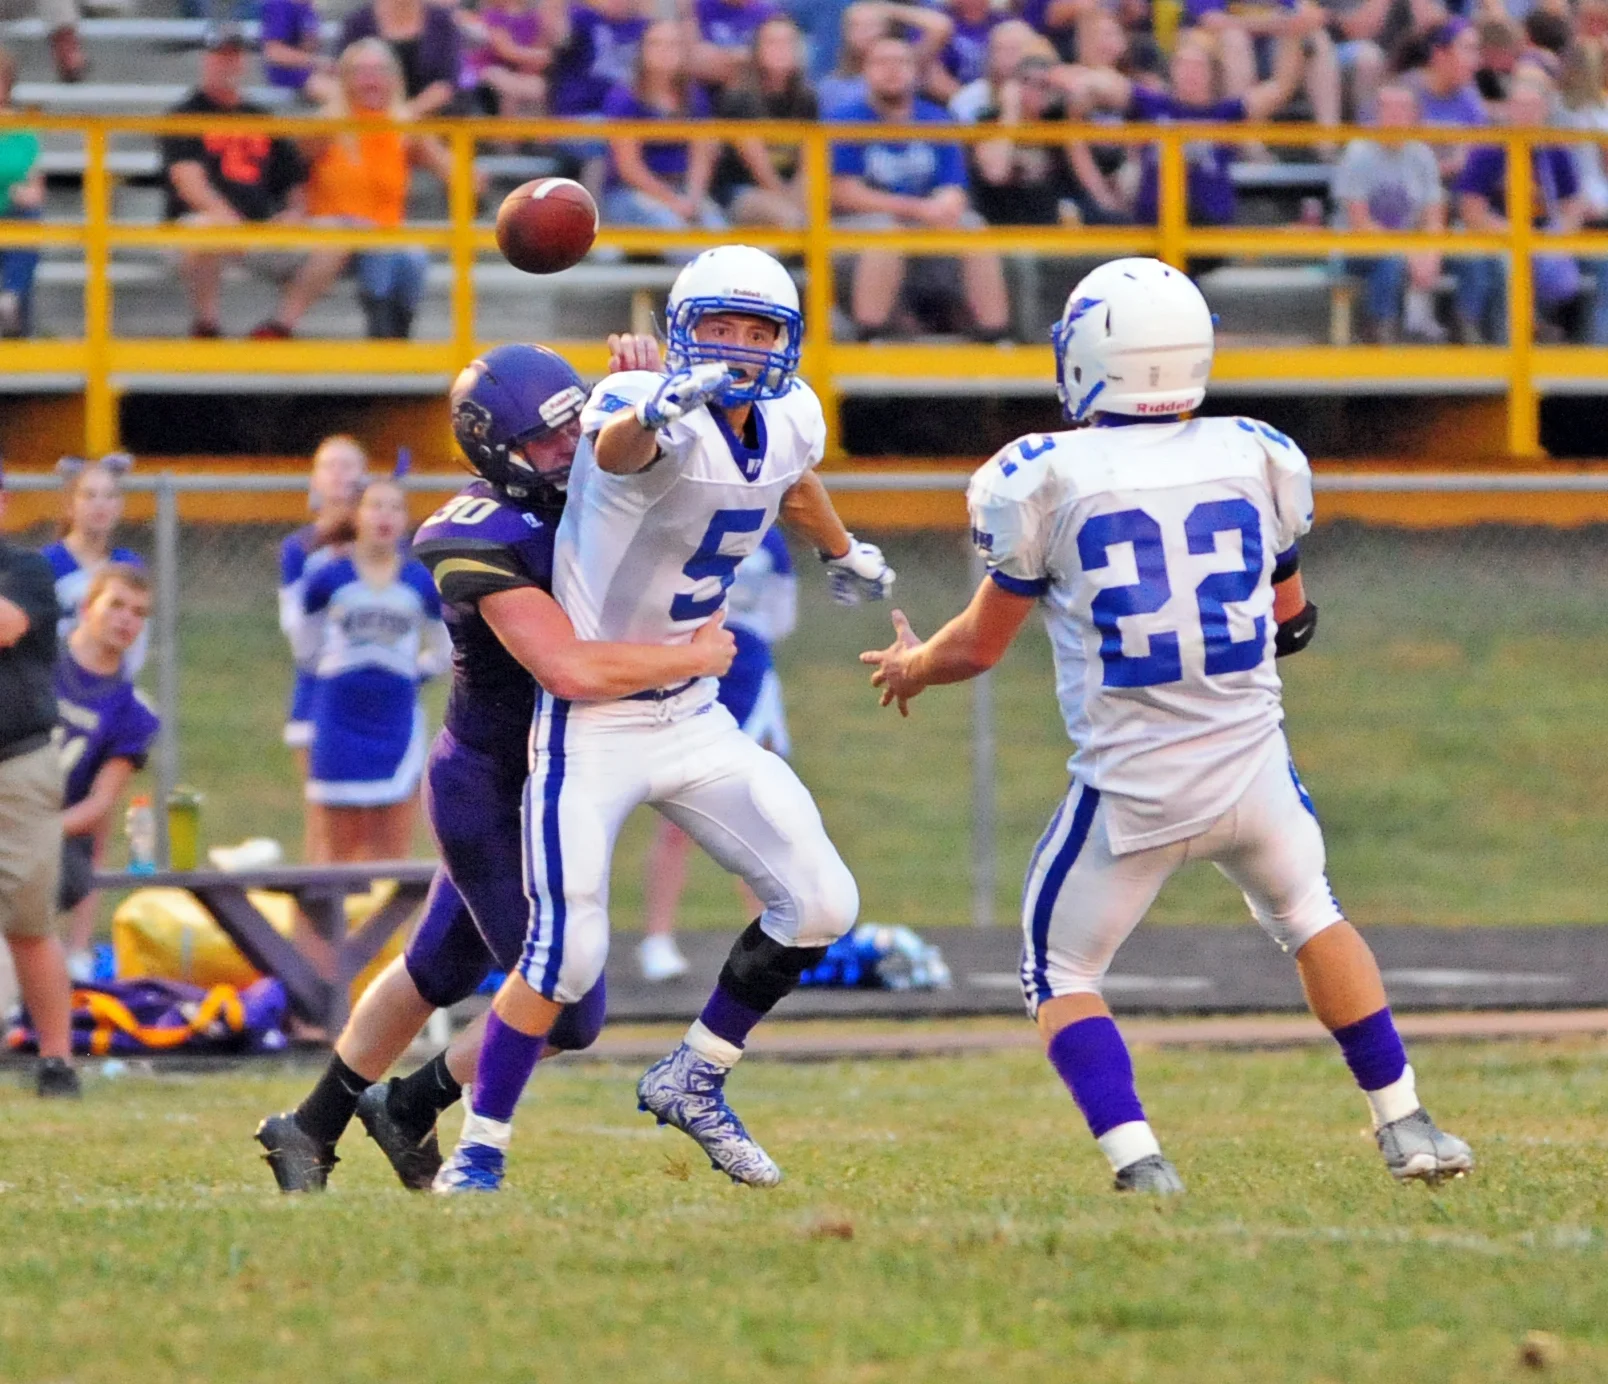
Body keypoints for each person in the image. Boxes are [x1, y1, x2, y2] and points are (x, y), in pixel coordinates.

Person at [860, 256, 1475, 1194]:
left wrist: (911, 665)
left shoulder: (1042, 477)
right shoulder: (1255, 454)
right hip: (1254, 772)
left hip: (1133, 787)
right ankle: (1407, 1121)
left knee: (1059, 970)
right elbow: (1291, 620)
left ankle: (1140, 1162)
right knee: (1312, 916)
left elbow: (980, 647)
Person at [433, 244, 895, 1194]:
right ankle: (479, 1149)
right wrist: (655, 407)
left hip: (692, 717)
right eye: (719, 329)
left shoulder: (793, 414)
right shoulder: (639, 404)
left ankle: (695, 1074)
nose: (739, 348)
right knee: (566, 955)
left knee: (823, 902)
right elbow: (619, 448)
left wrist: (842, 551)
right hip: (593, 724)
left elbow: (792, 476)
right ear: (684, 335)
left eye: (758, 331)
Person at [255, 343, 739, 1193]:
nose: (570, 447)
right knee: (569, 1009)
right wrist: (691, 660)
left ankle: (310, 1128)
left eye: (574, 425)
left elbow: (684, 474)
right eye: (546, 438)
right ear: (495, 451)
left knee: (434, 971)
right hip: (494, 791)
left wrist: (650, 394)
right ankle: (411, 1103)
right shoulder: (473, 531)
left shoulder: (601, 486)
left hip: (559, 785)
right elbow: (568, 669)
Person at [639, 526, 797, 983]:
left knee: (761, 813)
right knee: (678, 818)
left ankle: (773, 939)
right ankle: (657, 938)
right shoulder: (683, 526)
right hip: (693, 682)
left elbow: (782, 616)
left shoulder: (771, 541)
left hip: (752, 679)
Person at [254, 40, 454, 341]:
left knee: (412, 257)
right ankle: (284, 325)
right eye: (361, 72)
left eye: (379, 71)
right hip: (330, 232)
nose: (370, 80)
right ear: (345, 79)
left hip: (383, 233)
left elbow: (462, 176)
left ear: (394, 78)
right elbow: (289, 169)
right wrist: (294, 208)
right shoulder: (329, 125)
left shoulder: (404, 128)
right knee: (366, 242)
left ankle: (393, 340)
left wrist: (419, 126)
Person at [295, 476, 450, 863]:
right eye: (375, 506)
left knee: (391, 849)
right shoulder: (327, 576)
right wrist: (340, 669)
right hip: (339, 718)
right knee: (336, 849)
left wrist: (414, 674)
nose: (385, 516)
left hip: (395, 719)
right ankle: (331, 907)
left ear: (406, 520)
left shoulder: (419, 580)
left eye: (395, 508)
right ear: (357, 515)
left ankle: (389, 908)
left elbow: (445, 648)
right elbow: (305, 647)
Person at [829, 35, 1011, 341]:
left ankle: (995, 337)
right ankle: (870, 336)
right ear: (865, 71)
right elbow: (844, 193)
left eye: (901, 62)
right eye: (882, 62)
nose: (892, 70)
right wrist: (916, 209)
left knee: (975, 229)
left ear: (915, 71)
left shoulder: (937, 119)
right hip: (856, 226)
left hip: (925, 222)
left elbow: (954, 188)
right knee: (886, 234)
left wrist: (943, 206)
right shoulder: (843, 121)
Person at [0, 460, 76, 1098]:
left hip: (17, 764)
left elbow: (6, 625)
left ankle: (57, 1059)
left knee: (28, 919)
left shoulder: (26, 570)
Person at [160, 24, 311, 341]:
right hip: (198, 228)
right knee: (206, 229)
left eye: (235, 55)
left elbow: (294, 183)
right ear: (205, 60)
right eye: (220, 55)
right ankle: (207, 326)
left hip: (257, 231)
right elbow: (189, 183)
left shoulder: (262, 118)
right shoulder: (184, 116)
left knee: (333, 240)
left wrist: (294, 214)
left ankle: (279, 327)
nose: (227, 63)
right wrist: (231, 224)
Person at [1076, 29, 1308, 232]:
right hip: (1154, 227)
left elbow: (1280, 88)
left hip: (1209, 230)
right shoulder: (1152, 104)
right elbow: (1106, 84)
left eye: (1197, 66)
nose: (1189, 73)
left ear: (1212, 72)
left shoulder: (1225, 113)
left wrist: (1295, 35)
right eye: (1183, 64)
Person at [54, 564, 158, 979]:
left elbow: (100, 803)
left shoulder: (133, 711)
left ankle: (76, 953)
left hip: (57, 838)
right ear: (86, 607)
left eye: (138, 612)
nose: (126, 619)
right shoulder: (37, 659)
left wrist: (38, 830)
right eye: (116, 605)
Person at [279, 434, 367, 863]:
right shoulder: (301, 549)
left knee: (372, 820)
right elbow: (296, 627)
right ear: (315, 478)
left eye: (348, 465)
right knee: (324, 818)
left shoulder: (385, 547)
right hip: (318, 693)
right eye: (329, 465)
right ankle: (318, 902)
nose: (338, 475)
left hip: (376, 698)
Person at [1455, 72, 1589, 343]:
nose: (1526, 113)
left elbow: (1573, 205)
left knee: (1595, 262)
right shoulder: (1488, 149)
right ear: (1508, 109)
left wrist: (1557, 234)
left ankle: (1590, 343)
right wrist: (1518, 234)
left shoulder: (1555, 149)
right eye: (1519, 106)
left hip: (1544, 231)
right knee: (1513, 259)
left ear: (1545, 110)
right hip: (1496, 232)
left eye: (1532, 106)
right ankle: (1515, 339)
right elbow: (1472, 211)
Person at [1334, 82, 1448, 342]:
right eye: (1390, 109)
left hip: (1409, 246)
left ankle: (1473, 332)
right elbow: (1360, 222)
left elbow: (1434, 217)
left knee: (1475, 256)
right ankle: (1380, 329)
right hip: (1356, 247)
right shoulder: (1358, 154)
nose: (1396, 117)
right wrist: (1408, 251)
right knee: (1390, 259)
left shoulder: (1423, 156)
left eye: (1403, 110)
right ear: (1377, 114)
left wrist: (1432, 252)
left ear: (1414, 115)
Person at [600, 20, 729, 243]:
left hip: (684, 188)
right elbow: (629, 168)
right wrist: (672, 201)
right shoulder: (624, 97)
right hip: (632, 192)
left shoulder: (695, 96)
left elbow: (701, 155)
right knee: (674, 232)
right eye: (656, 44)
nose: (664, 51)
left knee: (719, 234)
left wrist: (693, 198)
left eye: (672, 44)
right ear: (642, 50)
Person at [42, 452, 147, 674]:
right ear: (70, 505)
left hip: (111, 682)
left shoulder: (128, 564)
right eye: (89, 496)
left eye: (110, 496)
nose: (100, 505)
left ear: (120, 505)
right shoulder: (46, 563)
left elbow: (138, 640)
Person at [713, 16, 818, 230]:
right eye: (772, 42)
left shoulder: (807, 99)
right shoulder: (738, 98)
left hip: (789, 188)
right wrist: (791, 202)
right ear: (757, 50)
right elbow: (759, 169)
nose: (781, 49)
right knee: (791, 219)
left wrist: (799, 197)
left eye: (788, 43)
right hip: (740, 189)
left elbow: (808, 163)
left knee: (816, 212)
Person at [816, 0, 953, 113]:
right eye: (856, 26)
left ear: (886, 28)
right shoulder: (832, 87)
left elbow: (940, 26)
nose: (864, 32)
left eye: (871, 25)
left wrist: (886, 9)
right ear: (846, 33)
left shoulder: (904, 63)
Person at [338, 0, 464, 117]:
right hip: (364, 121)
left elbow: (448, 82)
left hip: (432, 119)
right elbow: (340, 73)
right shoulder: (357, 23)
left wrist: (406, 113)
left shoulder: (442, 22)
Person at [0, 47, 44, 340]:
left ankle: (10, 301)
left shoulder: (23, 129)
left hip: (11, 214)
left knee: (30, 218)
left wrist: (23, 193)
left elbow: (35, 188)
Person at [460, 0, 566, 116]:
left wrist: (535, 63)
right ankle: (507, 126)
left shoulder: (533, 17)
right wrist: (545, 55)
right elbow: (506, 51)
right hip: (488, 66)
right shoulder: (493, 16)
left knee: (542, 88)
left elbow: (540, 47)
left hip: (521, 69)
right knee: (511, 88)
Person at [549, 0, 649, 116]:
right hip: (582, 110)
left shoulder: (646, 29)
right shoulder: (581, 18)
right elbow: (558, 33)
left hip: (631, 112)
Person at [260, 0, 338, 105]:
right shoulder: (279, 6)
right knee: (338, 93)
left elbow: (310, 46)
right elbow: (274, 52)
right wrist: (317, 62)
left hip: (312, 70)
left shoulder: (308, 8)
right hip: (288, 73)